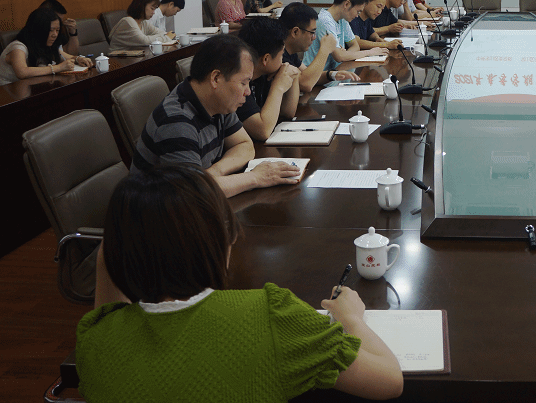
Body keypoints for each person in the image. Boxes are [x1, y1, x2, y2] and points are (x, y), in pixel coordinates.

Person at [79, 164, 404, 402]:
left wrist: (124, 234)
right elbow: (389, 380)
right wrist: (351, 318)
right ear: (220, 243)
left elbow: (108, 298)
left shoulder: (94, 341)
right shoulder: (271, 316)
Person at [131, 34, 301, 197]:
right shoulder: (176, 122)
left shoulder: (217, 102)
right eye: (243, 83)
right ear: (216, 78)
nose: (248, 92)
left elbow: (245, 145)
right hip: (158, 213)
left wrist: (212, 173)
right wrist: (256, 177)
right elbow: (194, 192)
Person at [236, 18, 301, 141]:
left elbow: (288, 113)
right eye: (281, 55)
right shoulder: (239, 82)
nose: (283, 61)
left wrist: (293, 75)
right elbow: (263, 131)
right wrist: (278, 87)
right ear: (266, 59)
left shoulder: (264, 73)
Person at [279, 3, 359, 92]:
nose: (314, 37)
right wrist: (324, 49)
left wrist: (332, 75)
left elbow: (310, 76)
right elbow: (305, 84)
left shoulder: (290, 52)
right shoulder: (278, 54)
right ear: (295, 32)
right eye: (312, 32)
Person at [302, 0, 386, 71]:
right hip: (318, 74)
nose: (357, 16)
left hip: (335, 71)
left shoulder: (342, 19)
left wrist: (345, 54)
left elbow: (355, 45)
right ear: (346, 4)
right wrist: (369, 52)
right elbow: (339, 57)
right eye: (358, 11)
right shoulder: (325, 21)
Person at [0, 7, 92, 84]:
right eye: (51, 30)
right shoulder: (18, 47)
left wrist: (78, 59)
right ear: (38, 29)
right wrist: (58, 68)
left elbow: (67, 57)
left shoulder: (44, 44)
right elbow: (22, 72)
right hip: (9, 94)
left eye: (57, 30)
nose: (55, 34)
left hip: (34, 89)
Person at [108, 0, 174, 51]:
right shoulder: (128, 22)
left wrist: (167, 35)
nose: (153, 12)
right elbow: (144, 41)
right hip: (118, 58)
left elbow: (160, 32)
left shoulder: (143, 22)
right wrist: (167, 37)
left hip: (133, 57)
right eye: (152, 8)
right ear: (141, 5)